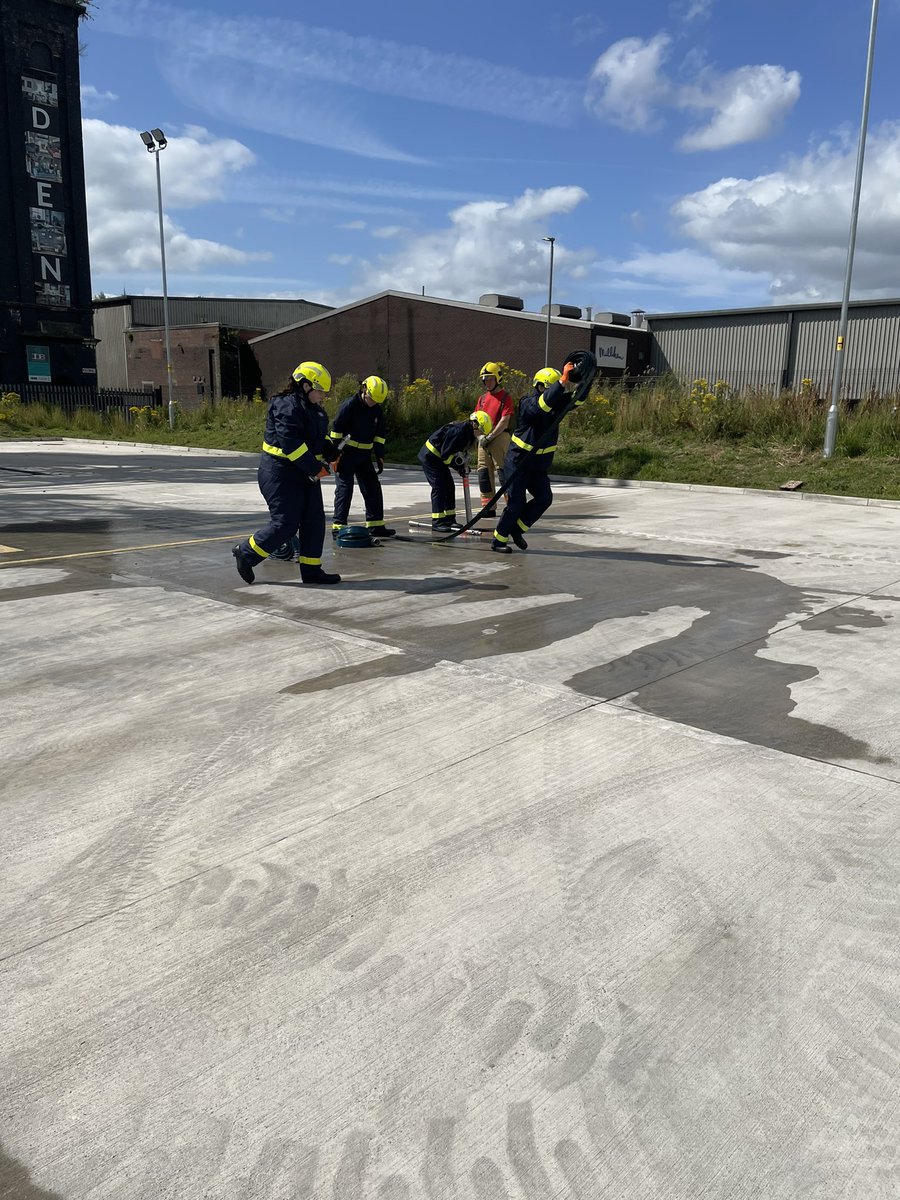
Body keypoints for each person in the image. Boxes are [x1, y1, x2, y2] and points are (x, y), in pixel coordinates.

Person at [232, 361, 341, 586]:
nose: (322, 396)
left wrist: (330, 450)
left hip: (303, 474)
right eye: (320, 390)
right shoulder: (285, 405)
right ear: (305, 386)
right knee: (286, 523)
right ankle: (245, 553)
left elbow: (319, 437)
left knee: (314, 520)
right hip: (279, 474)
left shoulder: (316, 411)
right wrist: (316, 468)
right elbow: (290, 443)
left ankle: (311, 570)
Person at [491, 351, 598, 554]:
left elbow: (578, 400)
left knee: (544, 498)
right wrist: (562, 382)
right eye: (554, 386)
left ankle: (517, 529)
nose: (561, 389)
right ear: (540, 387)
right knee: (516, 503)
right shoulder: (528, 404)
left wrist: (588, 378)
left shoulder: (557, 405)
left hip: (538, 467)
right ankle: (498, 540)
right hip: (519, 464)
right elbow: (542, 406)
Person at [327, 375, 395, 540]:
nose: (373, 403)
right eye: (371, 399)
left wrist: (379, 456)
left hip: (364, 456)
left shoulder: (376, 409)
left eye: (377, 401)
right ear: (364, 389)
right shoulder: (350, 405)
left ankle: (375, 525)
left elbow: (379, 434)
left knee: (372, 488)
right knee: (345, 488)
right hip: (346, 454)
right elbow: (336, 428)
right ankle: (338, 527)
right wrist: (335, 453)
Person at [419, 410, 493, 531]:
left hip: (438, 458)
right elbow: (446, 455)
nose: (480, 434)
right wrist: (459, 467)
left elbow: (455, 454)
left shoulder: (467, 433)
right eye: (481, 431)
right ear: (475, 424)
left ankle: (449, 519)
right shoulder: (458, 432)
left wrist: (461, 465)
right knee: (439, 487)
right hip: (430, 457)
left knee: (449, 486)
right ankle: (437, 522)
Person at [474, 361, 515, 508]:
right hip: (483, 440)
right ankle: (488, 507)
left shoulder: (505, 398)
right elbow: (475, 420)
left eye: (490, 378)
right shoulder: (482, 399)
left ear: (498, 378)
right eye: (485, 379)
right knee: (483, 473)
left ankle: (512, 505)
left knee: (503, 472)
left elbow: (504, 421)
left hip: (500, 437)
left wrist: (490, 437)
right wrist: (480, 437)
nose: (487, 382)